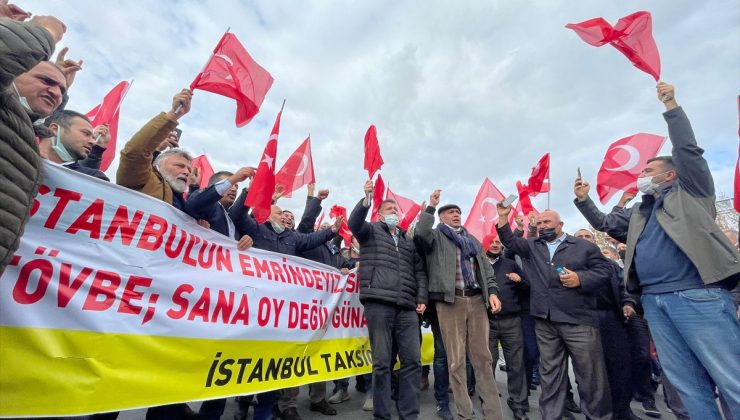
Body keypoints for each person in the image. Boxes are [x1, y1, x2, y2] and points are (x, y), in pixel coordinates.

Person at [573, 82, 740, 419]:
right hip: (655, 301)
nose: (642, 175)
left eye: (648, 170)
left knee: (730, 378)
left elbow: (689, 150)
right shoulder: (640, 211)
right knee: (686, 382)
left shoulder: (691, 192)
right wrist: (583, 200)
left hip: (696, 296)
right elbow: (606, 223)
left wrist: (671, 105)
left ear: (671, 174)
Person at [496, 206, 612, 420]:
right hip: (545, 321)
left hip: (578, 320)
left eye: (547, 222)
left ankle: (596, 416)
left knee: (590, 376)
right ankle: (552, 416)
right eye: (539, 223)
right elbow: (510, 242)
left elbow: (605, 271)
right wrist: (503, 217)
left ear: (561, 225)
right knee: (550, 376)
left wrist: (581, 278)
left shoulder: (584, 246)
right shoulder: (533, 246)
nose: (542, 226)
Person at [414, 190, 504, 420]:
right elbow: (420, 234)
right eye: (450, 212)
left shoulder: (472, 240)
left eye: (458, 212)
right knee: (455, 361)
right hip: (450, 302)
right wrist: (431, 208)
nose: (456, 214)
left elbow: (486, 269)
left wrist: (492, 291)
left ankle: (494, 414)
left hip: (476, 301)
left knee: (483, 359)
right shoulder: (435, 236)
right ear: (442, 217)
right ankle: (465, 413)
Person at [348, 180, 427, 420]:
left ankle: (409, 414)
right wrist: (366, 200)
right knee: (382, 363)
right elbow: (354, 223)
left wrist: (421, 297)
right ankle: (382, 414)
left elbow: (420, 271)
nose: (395, 213)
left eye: (396, 210)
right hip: (379, 304)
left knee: (412, 361)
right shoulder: (369, 231)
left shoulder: (408, 241)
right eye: (390, 210)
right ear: (379, 215)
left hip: (406, 308)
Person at [0, 11, 66, 275]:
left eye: (62, 90)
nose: (57, 93)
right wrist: (45, 31)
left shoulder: (22, 128)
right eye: (46, 81)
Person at [116, 89, 193, 210]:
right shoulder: (142, 179)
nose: (187, 172)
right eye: (180, 166)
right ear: (158, 165)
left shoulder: (186, 205)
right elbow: (134, 153)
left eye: (189, 169)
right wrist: (174, 114)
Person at [484, 235, 530, 420]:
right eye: (491, 242)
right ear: (484, 244)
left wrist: (520, 280)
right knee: (488, 363)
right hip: (486, 321)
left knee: (516, 364)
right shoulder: (476, 263)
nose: (495, 245)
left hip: (512, 321)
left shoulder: (510, 263)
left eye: (498, 243)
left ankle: (518, 403)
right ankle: (488, 401)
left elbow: (528, 288)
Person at [39, 110, 108, 180]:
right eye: (86, 133)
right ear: (55, 129)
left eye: (93, 137)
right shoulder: (27, 157)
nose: (93, 142)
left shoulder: (94, 179)